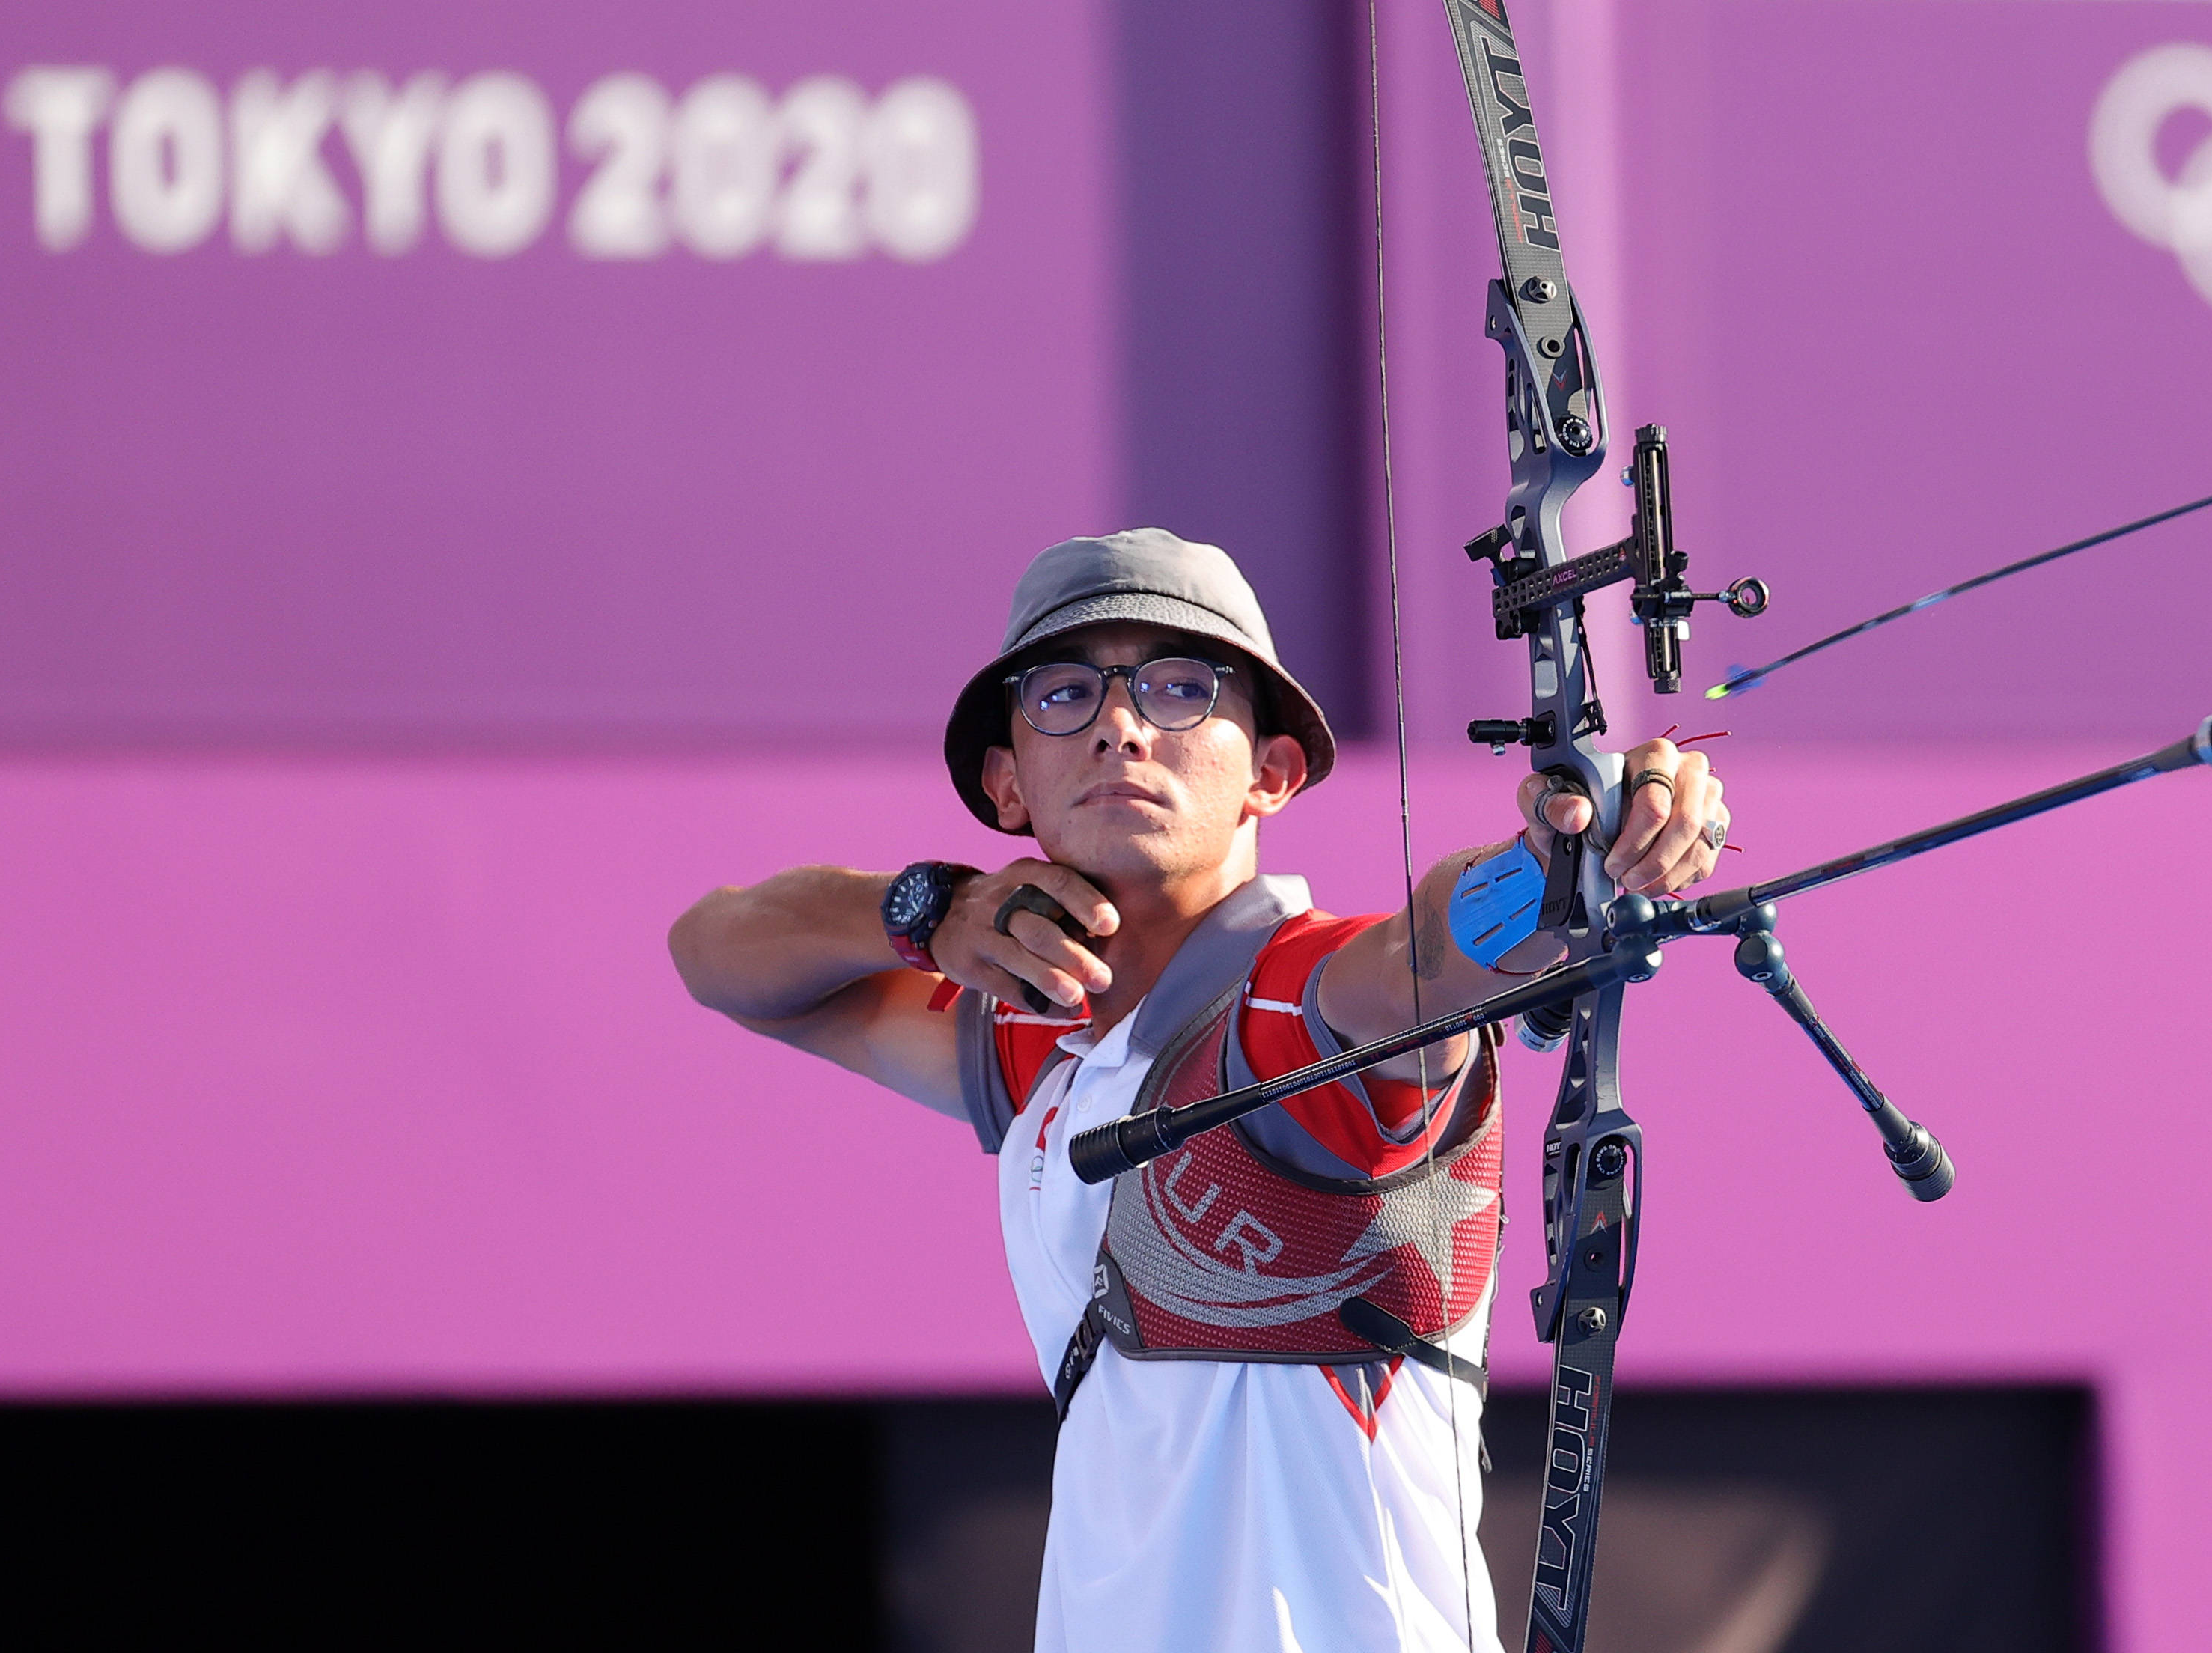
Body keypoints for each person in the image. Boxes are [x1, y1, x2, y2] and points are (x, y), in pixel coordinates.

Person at [668, 529, 1731, 1652]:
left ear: (1271, 770)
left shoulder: (1311, 1009)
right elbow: (718, 953)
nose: (1123, 724)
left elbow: (1435, 948)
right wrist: (929, 911)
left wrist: (1588, 842)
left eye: (1181, 689)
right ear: (1006, 782)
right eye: (1068, 693)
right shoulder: (1041, 1043)